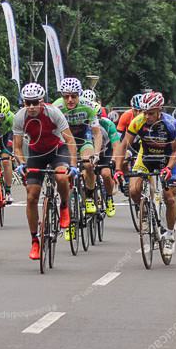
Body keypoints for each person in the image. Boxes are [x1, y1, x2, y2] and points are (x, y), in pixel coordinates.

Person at [12, 82, 78, 260]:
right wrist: (21, 163)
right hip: (36, 153)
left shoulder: (53, 112)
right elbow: (17, 147)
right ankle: (35, 240)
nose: (32, 107)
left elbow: (70, 139)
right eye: (28, 103)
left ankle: (64, 206)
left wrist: (73, 165)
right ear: (23, 103)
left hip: (57, 150)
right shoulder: (20, 117)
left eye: (35, 102)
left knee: (62, 177)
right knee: (31, 196)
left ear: (42, 101)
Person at [114, 91, 176, 257]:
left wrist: (169, 168)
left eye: (150, 113)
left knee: (170, 198)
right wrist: (117, 168)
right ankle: (144, 211)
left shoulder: (171, 124)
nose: (147, 116)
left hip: (167, 161)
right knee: (133, 190)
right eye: (144, 112)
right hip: (146, 159)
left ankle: (170, 235)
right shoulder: (138, 121)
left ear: (160, 110)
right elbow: (124, 145)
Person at [52, 77, 102, 234]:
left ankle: (88, 197)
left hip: (83, 139)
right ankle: (68, 207)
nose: (70, 99)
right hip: (65, 141)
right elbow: (52, 133)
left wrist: (97, 153)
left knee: (88, 164)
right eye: (66, 96)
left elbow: (97, 133)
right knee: (63, 172)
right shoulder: (57, 107)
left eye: (73, 96)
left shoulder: (87, 106)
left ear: (79, 95)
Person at [91, 100, 121, 217]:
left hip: (105, 152)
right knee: (86, 175)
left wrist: (113, 160)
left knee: (106, 174)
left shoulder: (108, 125)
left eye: (97, 117)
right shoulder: (82, 125)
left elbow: (116, 145)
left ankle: (109, 198)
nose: (94, 122)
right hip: (90, 153)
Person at [0, 95, 15, 204]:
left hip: (6, 135)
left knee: (6, 160)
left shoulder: (11, 118)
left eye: (1, 117)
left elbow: (17, 134)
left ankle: (8, 191)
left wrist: (13, 152)